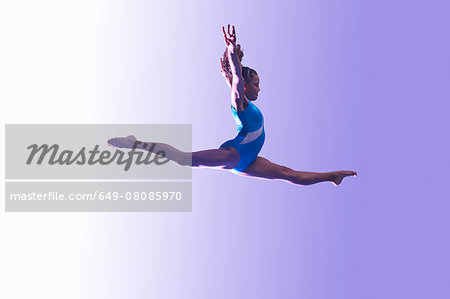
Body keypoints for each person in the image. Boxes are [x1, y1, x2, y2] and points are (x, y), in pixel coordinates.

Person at [107, 25, 357, 186]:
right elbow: (236, 78)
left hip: (248, 160)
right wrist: (230, 52)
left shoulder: (243, 97)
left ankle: (331, 176)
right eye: (256, 84)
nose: (260, 88)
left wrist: (233, 61)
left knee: (287, 173)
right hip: (236, 154)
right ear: (246, 86)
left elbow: (232, 77)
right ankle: (134, 143)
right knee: (184, 160)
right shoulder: (240, 101)